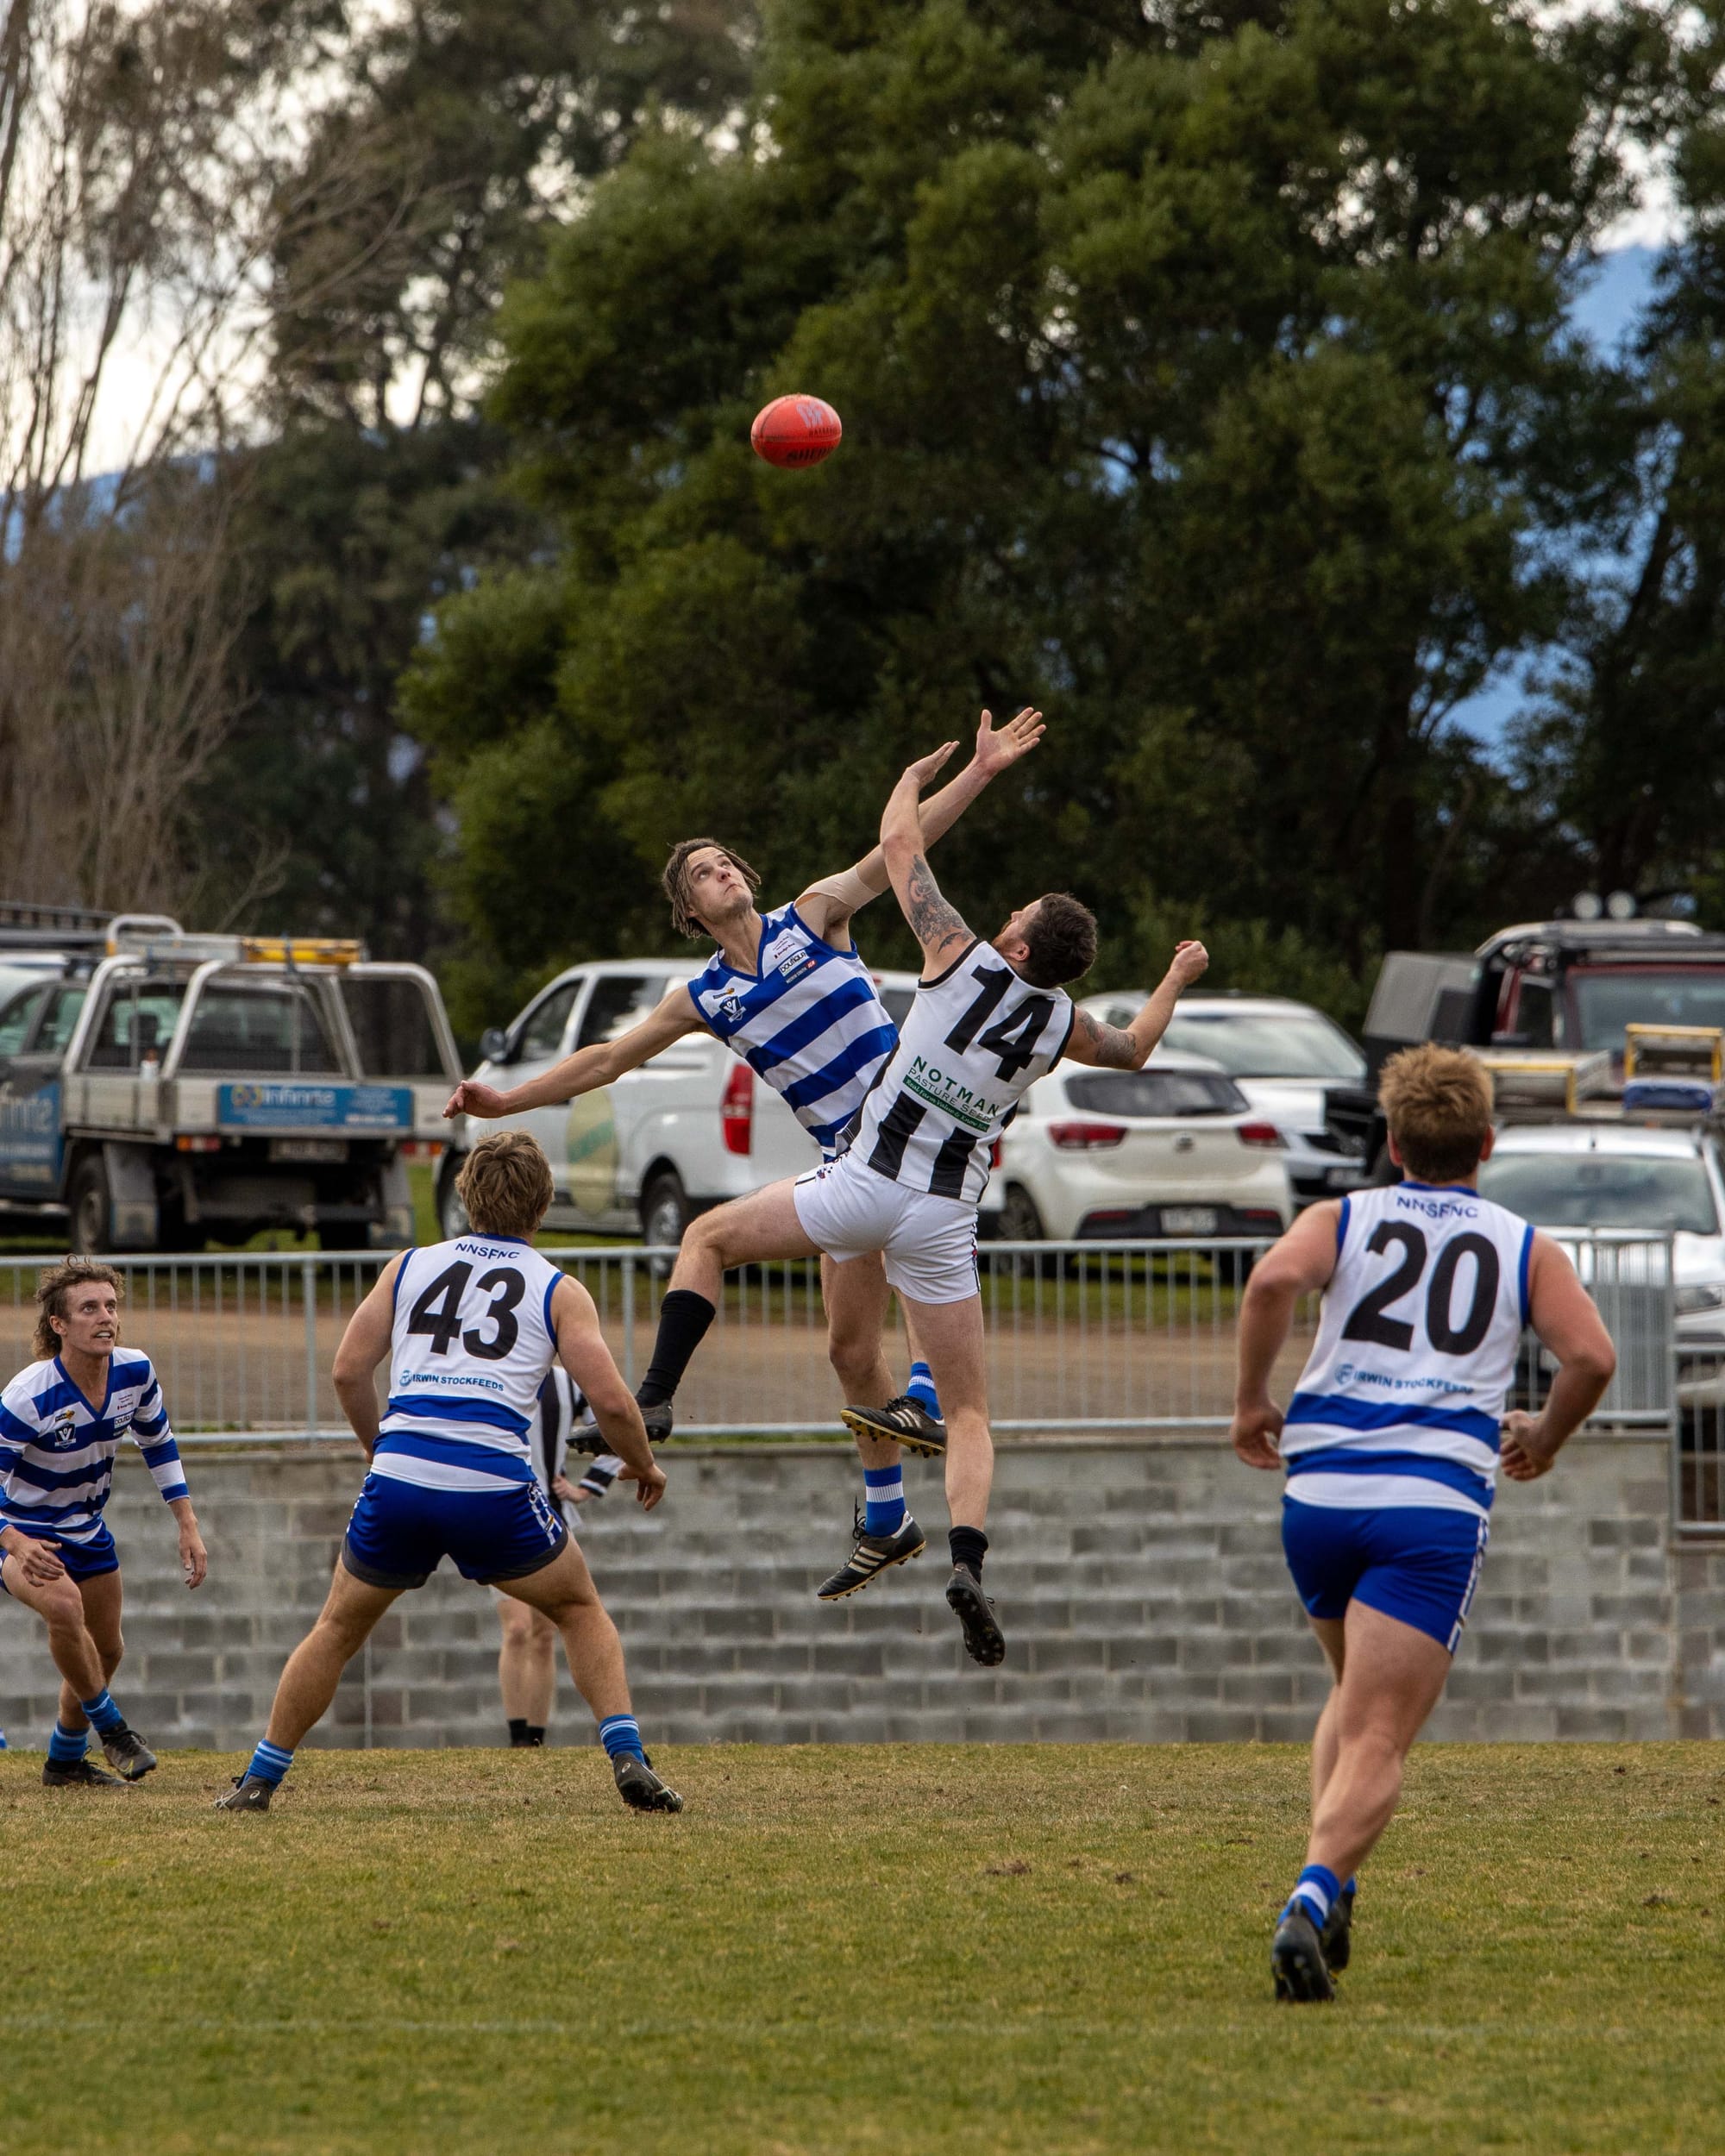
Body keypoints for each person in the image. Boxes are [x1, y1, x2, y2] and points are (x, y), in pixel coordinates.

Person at [615, 736, 1208, 1658]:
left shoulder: (955, 955)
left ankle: (654, 1397)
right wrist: (1174, 978)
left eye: (1017, 911)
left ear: (1012, 940)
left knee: (707, 1238)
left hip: (860, 1185)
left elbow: (900, 848)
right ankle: (960, 1555)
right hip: (940, 1217)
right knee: (949, 1402)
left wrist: (915, 778)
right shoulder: (1058, 1024)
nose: (1006, 912)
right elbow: (1134, 1048)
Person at [447, 706, 1045, 1598]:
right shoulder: (703, 994)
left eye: (724, 859)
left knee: (743, 1246)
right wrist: (508, 1095)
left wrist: (979, 773)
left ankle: (678, 1396)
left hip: (909, 1147)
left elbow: (900, 858)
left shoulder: (814, 916)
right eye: (700, 871)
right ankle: (887, 1516)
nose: (719, 869)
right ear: (687, 909)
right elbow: (605, 1058)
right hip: (850, 1164)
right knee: (847, 1352)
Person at [1229, 1044, 1617, 2002]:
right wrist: (1546, 1435)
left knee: (1348, 1698)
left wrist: (1248, 1402)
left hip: (1316, 1498)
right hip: (1427, 1505)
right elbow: (1591, 1357)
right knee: (1377, 1735)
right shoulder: (1522, 1244)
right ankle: (1312, 1897)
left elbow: (1271, 1282)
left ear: (1392, 1144)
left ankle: (1340, 1881)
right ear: (1486, 1143)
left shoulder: (1342, 1215)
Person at [216, 1131, 681, 1814]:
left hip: (400, 1475)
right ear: (544, 1205)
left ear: (464, 1197)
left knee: (337, 1629)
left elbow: (348, 1369)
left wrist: (379, 1450)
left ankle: (260, 1778)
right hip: (490, 1484)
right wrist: (642, 1463)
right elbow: (611, 1401)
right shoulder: (557, 1288)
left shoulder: (407, 1266)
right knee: (579, 1610)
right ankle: (628, 1759)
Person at [0, 1258, 207, 1788]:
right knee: (65, 1607)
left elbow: (158, 1443)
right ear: (59, 1325)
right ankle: (114, 1731)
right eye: (89, 1308)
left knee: (108, 1647)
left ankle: (64, 1761)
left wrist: (187, 1523)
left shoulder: (135, 1373)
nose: (105, 1318)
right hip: (19, 1531)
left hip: (87, 1529)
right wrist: (16, 1543)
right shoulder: (27, 1398)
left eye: (111, 1306)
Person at [494, 1365, 616, 1749]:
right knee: (517, 1629)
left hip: (551, 1519)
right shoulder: (492, 1369)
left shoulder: (568, 1382)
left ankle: (535, 1741)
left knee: (545, 1634)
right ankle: (516, 1739)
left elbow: (613, 1426)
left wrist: (586, 1488)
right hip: (500, 1515)